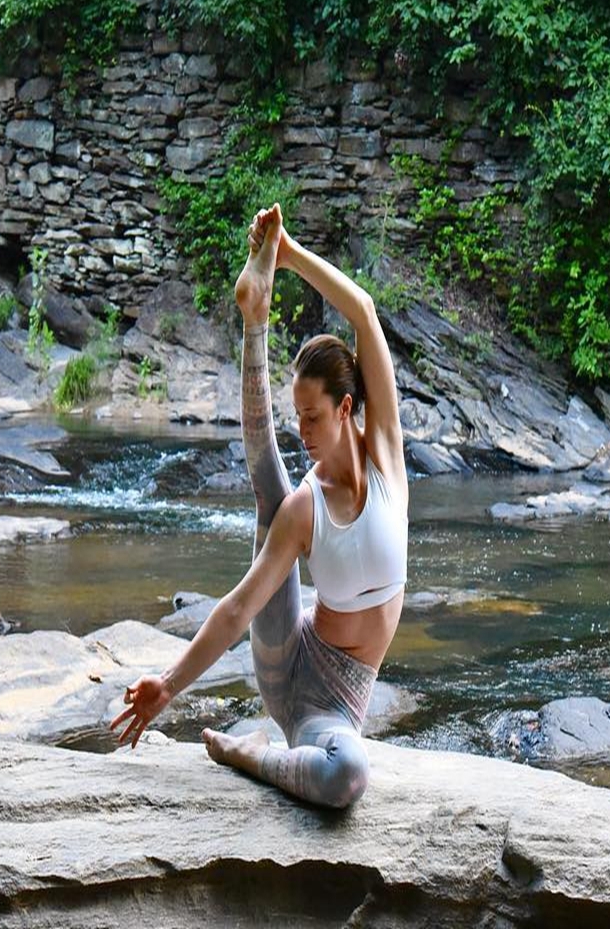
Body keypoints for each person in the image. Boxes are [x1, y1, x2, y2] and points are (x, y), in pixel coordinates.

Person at [110, 203, 408, 808]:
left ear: (347, 410)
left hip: (339, 703)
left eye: (312, 416)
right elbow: (240, 604)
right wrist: (168, 687)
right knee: (272, 490)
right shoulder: (307, 507)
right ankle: (256, 320)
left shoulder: (386, 459)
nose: (303, 429)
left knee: (344, 777)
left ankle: (249, 751)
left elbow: (365, 312)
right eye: (295, 416)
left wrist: (291, 254)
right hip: (291, 669)